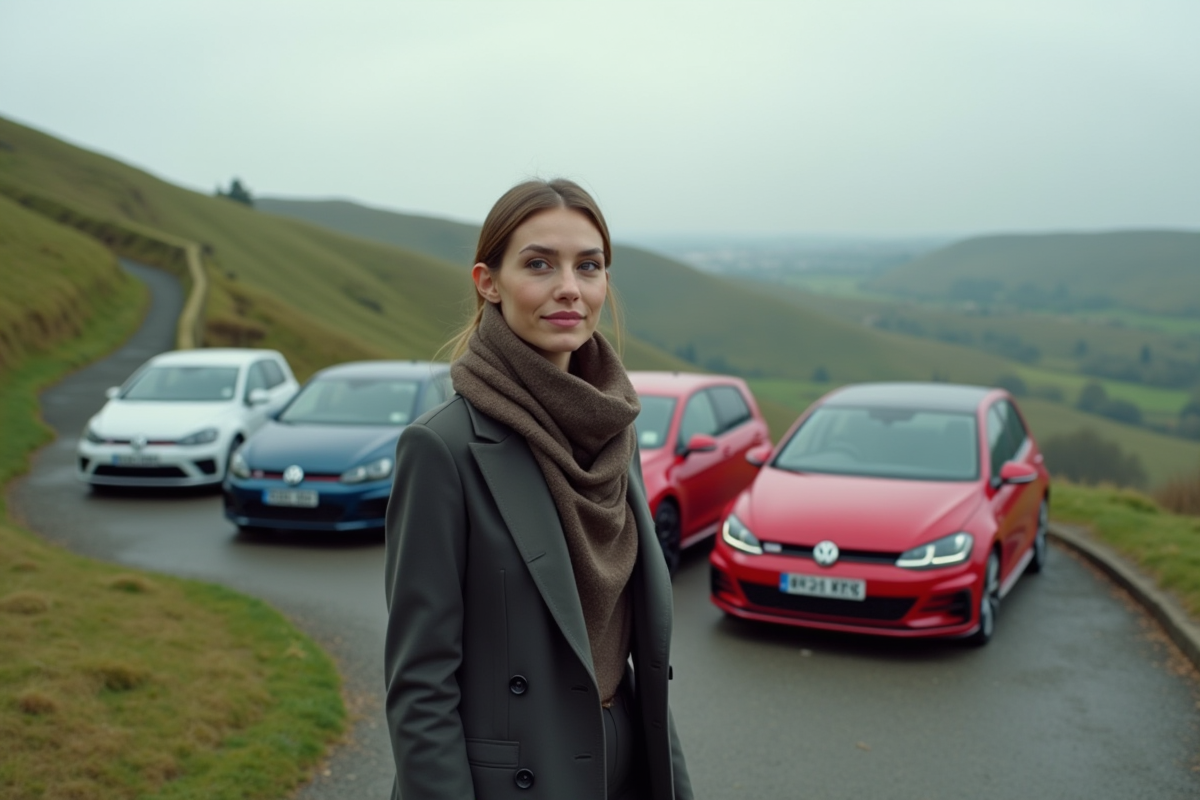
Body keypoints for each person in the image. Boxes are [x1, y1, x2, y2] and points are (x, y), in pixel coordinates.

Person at [383, 178, 693, 800]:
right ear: (488, 282)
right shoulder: (443, 448)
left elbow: (634, 655)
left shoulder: (614, 431)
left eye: (589, 266)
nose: (569, 287)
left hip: (626, 767)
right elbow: (420, 684)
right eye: (539, 264)